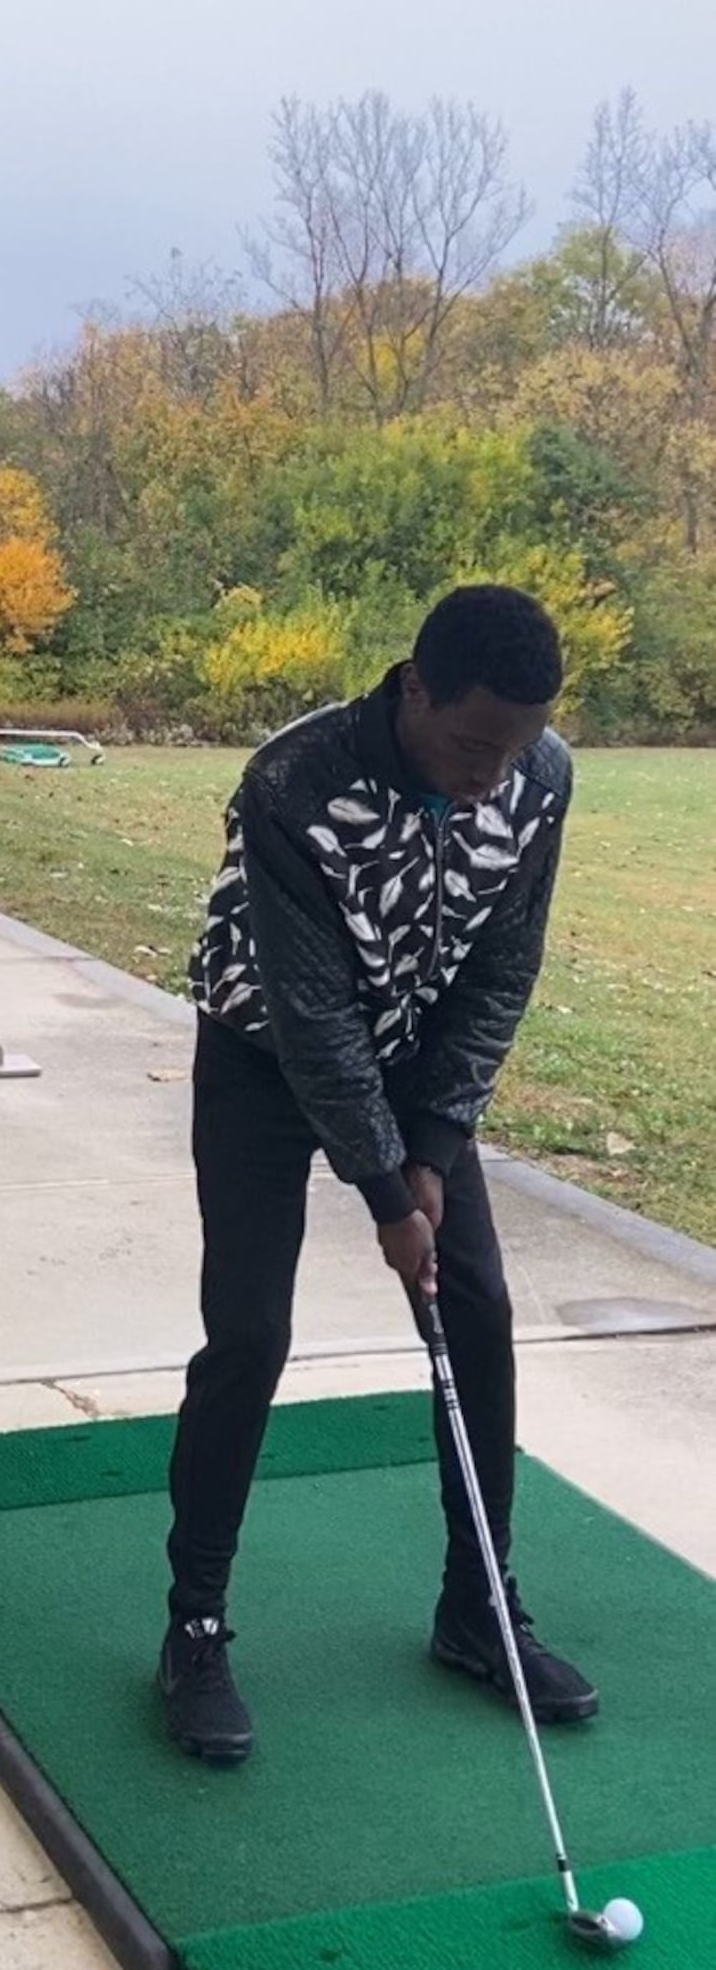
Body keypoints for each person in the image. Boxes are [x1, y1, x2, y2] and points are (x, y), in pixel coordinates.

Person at [163, 582, 592, 1767]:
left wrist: (438, 1143)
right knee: (248, 1331)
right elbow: (310, 1019)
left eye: (510, 751)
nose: (488, 775)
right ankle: (193, 1624)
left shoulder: (538, 776)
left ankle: (477, 1607)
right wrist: (387, 1195)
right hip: (257, 1056)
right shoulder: (294, 782)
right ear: (413, 687)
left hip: (414, 1070)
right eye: (468, 745)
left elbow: (502, 970)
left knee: (479, 1310)